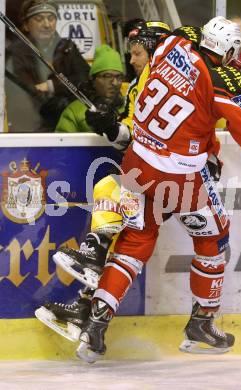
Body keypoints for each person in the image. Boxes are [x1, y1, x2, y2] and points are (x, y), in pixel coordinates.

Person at [53, 16, 241, 363]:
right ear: (229, 49)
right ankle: (202, 321)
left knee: (136, 241)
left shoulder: (175, 43)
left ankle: (96, 325)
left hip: (138, 161)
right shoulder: (223, 77)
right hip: (177, 178)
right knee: (215, 235)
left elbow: (168, 55)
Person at [35, 21, 172, 341]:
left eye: (137, 53)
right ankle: (86, 307)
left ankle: (93, 264)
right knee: (119, 238)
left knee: (109, 191)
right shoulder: (140, 84)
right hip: (147, 172)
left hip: (166, 178)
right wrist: (111, 127)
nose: (132, 61)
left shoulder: (166, 82)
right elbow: (132, 134)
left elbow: (166, 135)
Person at [5, 0, 90, 132]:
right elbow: (21, 90)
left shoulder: (67, 48)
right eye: (39, 19)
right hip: (28, 128)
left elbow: (84, 79)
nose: (46, 25)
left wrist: (52, 85)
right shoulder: (16, 53)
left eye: (51, 18)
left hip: (66, 125)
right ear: (26, 25)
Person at [55, 44, 125, 134]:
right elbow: (63, 145)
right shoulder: (74, 112)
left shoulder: (130, 109)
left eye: (119, 77)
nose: (115, 83)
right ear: (93, 79)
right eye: (107, 76)